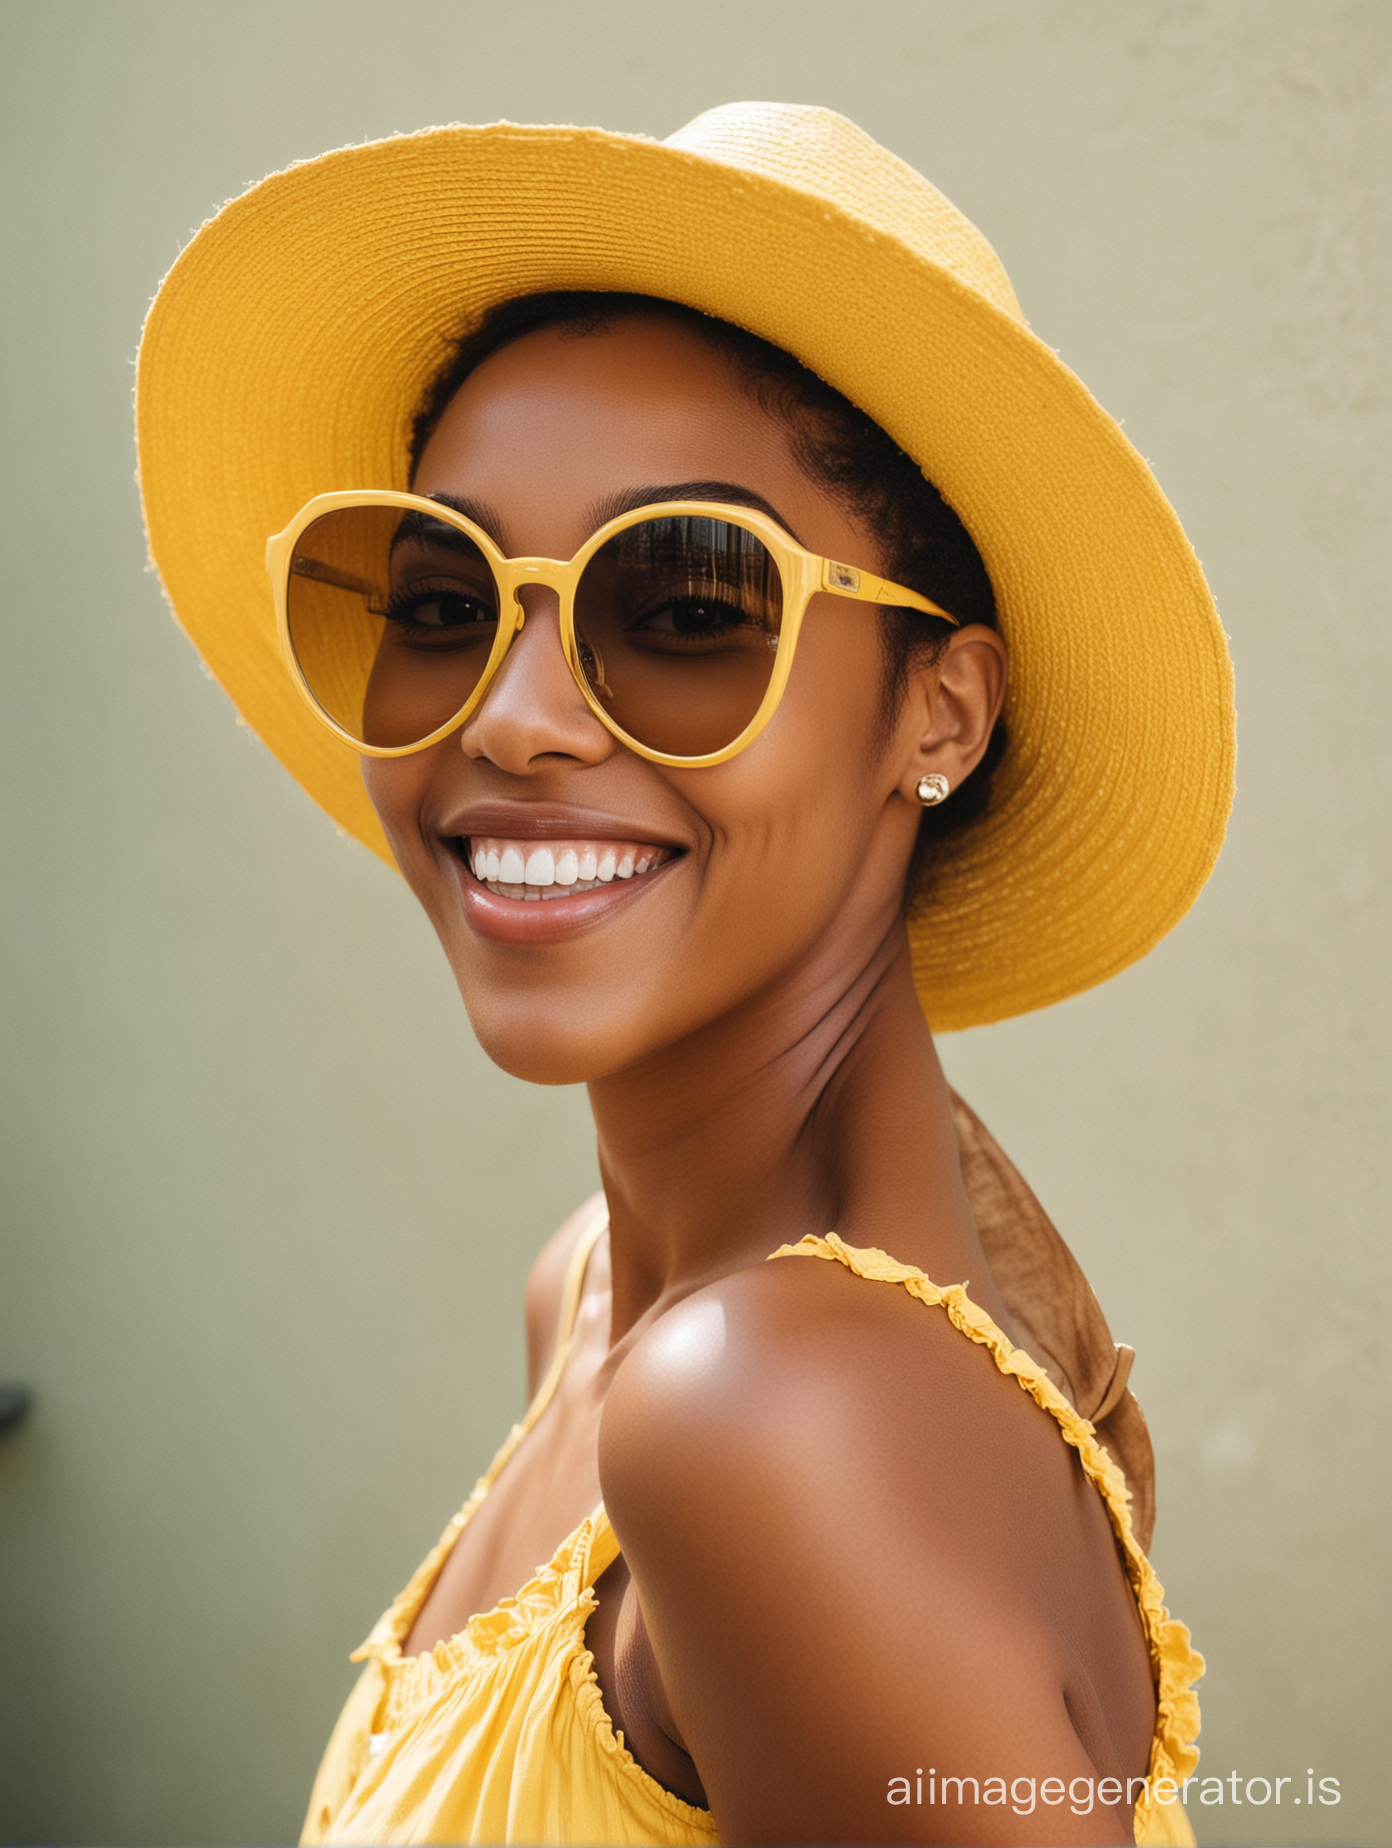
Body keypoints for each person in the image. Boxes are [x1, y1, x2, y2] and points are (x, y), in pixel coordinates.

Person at [136, 102, 1231, 1846]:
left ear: (937, 708)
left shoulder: (764, 1422)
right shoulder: (593, 1303)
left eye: (690, 609)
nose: (510, 714)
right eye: (441, 601)